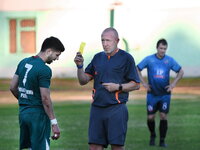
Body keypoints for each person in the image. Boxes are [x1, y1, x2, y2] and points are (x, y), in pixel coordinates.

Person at [74, 27, 140, 150]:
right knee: (94, 147)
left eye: (108, 40)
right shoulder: (97, 58)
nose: (105, 44)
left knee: (117, 147)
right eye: (102, 41)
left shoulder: (127, 58)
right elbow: (83, 81)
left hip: (117, 109)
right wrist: (79, 66)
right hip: (97, 109)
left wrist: (118, 87)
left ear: (117, 41)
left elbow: (136, 84)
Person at [10, 36, 65, 150]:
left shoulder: (23, 62)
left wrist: (25, 100)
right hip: (38, 116)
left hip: (23, 114)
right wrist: (54, 123)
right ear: (49, 51)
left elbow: (12, 87)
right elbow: (45, 99)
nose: (57, 58)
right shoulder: (44, 69)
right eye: (57, 55)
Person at [137, 38, 184, 147]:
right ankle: (152, 135)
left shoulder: (169, 60)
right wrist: (143, 83)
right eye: (161, 48)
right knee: (150, 117)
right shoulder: (149, 60)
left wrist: (173, 84)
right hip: (152, 94)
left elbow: (180, 71)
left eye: (164, 49)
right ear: (157, 48)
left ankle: (162, 140)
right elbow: (137, 69)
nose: (162, 51)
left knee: (163, 116)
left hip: (164, 95)